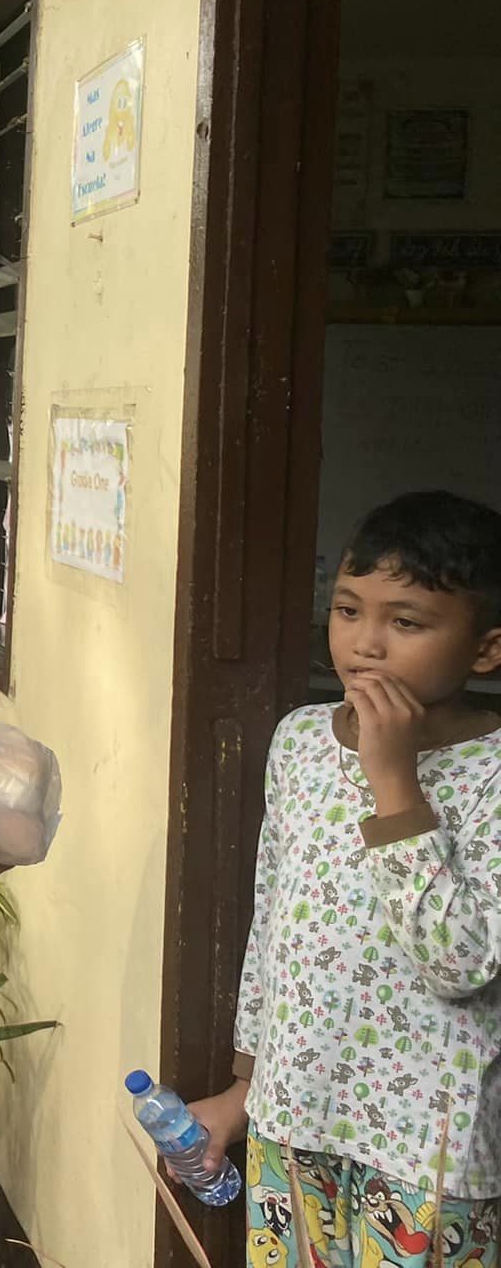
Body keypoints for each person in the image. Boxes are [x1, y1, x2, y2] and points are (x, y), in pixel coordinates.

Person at [185, 491, 501, 1268]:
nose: (366, 644)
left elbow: (459, 964)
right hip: (294, 1124)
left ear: (487, 650)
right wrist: (244, 1089)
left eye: (407, 621)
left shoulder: (493, 774)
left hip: (431, 1154)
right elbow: (273, 924)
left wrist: (394, 782)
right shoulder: (299, 742)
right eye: (348, 610)